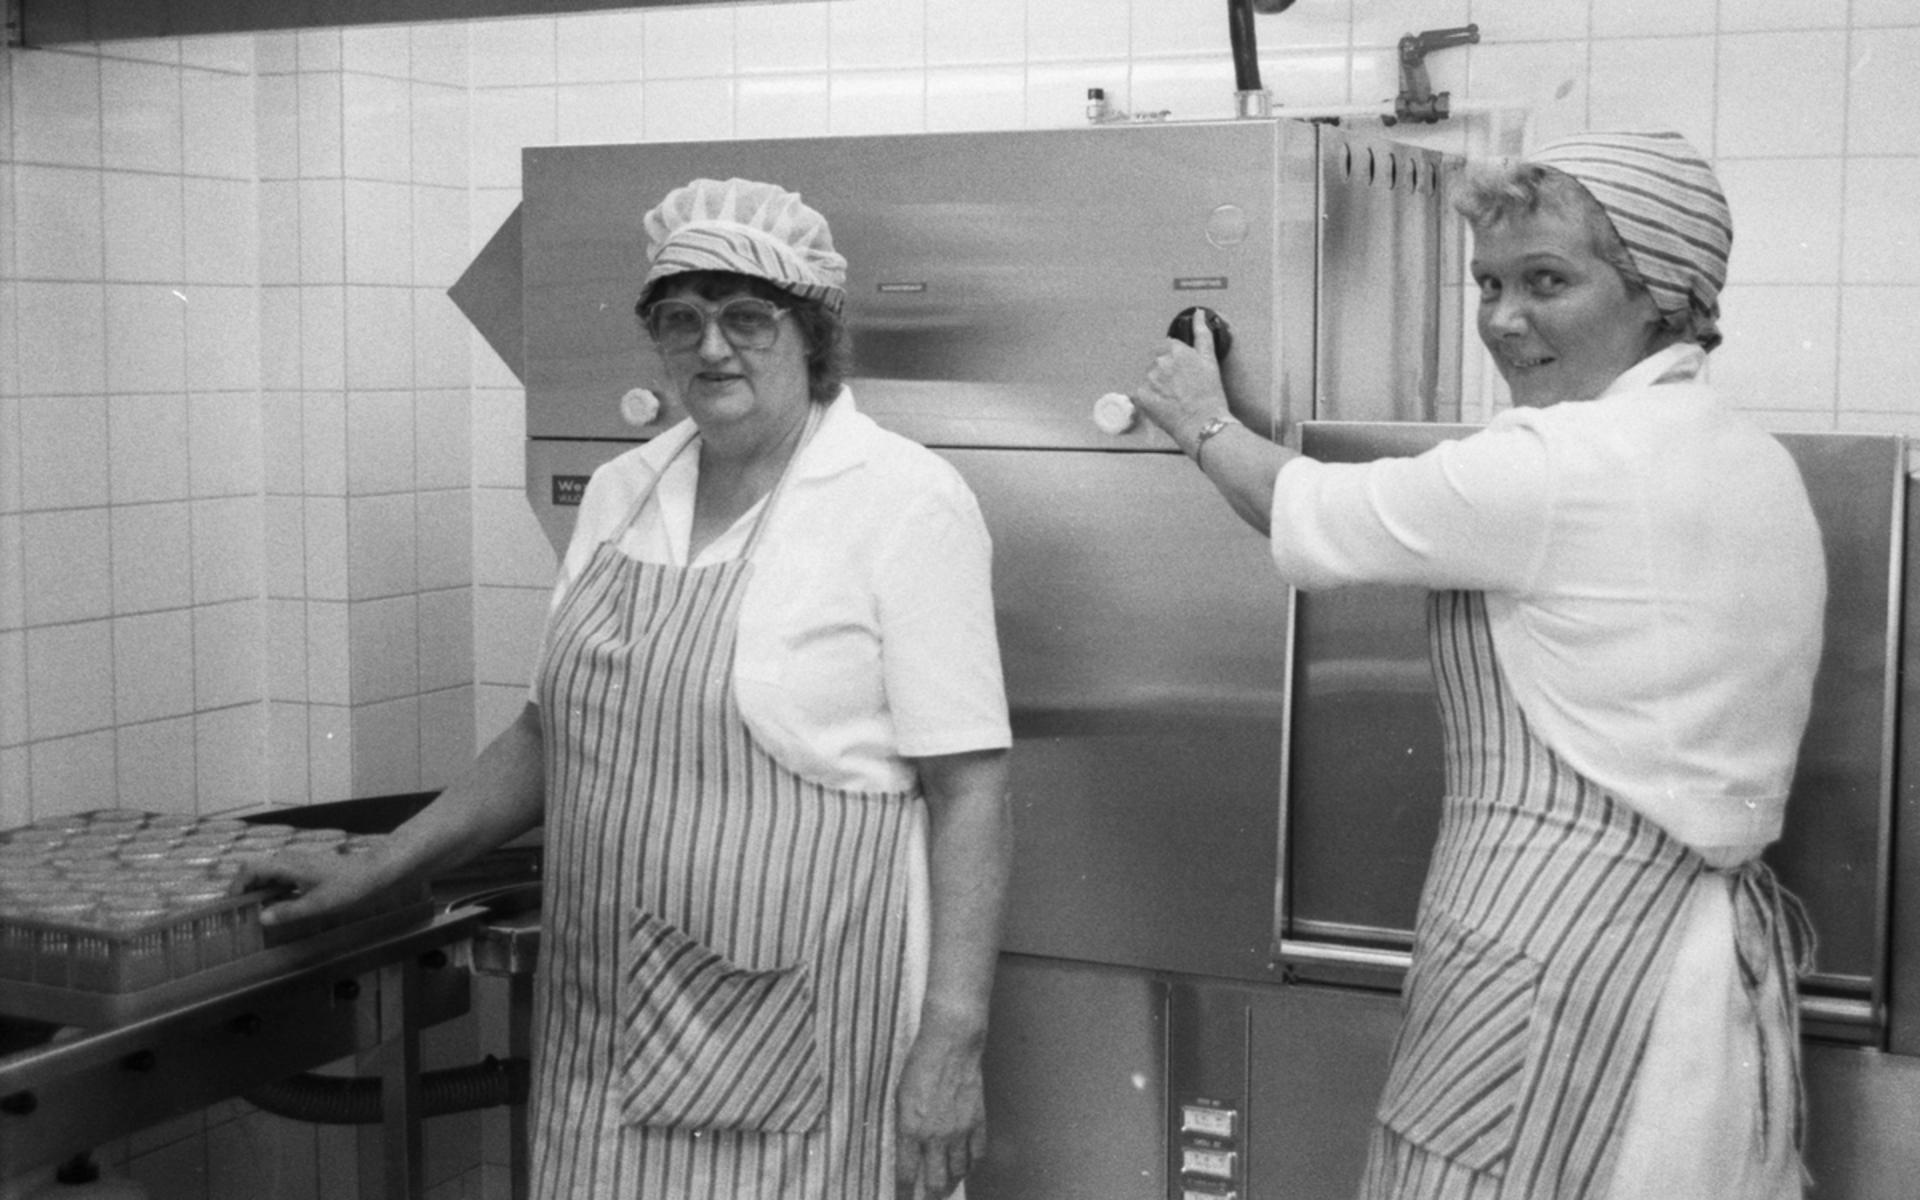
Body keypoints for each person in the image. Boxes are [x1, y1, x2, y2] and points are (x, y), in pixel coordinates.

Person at [241, 177, 1013, 1200]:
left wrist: (952, 1037)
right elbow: (544, 737)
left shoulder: (904, 501)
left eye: (747, 318)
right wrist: (389, 863)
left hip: (807, 1036)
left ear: (814, 335)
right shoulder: (624, 490)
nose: (711, 348)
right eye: (680, 320)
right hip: (603, 1017)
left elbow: (971, 788)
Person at [1130, 130, 1824, 1199]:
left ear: (1663, 295)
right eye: (1488, 282)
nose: (1504, 319)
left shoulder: (1565, 463)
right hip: (1702, 979)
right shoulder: (1754, 461)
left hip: (1558, 978)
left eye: (1547, 280)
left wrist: (1198, 416)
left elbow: (1309, 508)